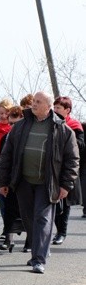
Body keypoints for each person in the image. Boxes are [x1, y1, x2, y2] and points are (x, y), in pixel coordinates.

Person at [0, 92, 79, 274]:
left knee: (42, 218)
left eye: (38, 102)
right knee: (28, 219)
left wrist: (66, 185)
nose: (33, 104)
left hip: (47, 182)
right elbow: (7, 155)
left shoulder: (63, 129)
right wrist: (3, 181)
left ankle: (38, 259)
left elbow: (72, 160)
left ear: (48, 105)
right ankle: (39, 248)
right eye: (33, 101)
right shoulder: (20, 126)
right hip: (23, 181)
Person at [51, 96, 84, 245]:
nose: (55, 110)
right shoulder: (50, 124)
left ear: (67, 110)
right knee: (53, 202)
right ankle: (54, 230)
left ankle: (61, 232)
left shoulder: (74, 126)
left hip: (67, 170)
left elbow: (81, 146)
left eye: (59, 108)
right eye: (54, 107)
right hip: (52, 169)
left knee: (64, 203)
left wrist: (66, 136)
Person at [0, 106, 26, 252]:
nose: (13, 126)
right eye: (11, 123)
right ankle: (9, 239)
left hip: (25, 179)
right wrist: (2, 181)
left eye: (17, 123)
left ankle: (30, 240)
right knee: (8, 209)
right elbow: (3, 160)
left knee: (27, 211)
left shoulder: (28, 137)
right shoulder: (5, 138)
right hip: (10, 179)